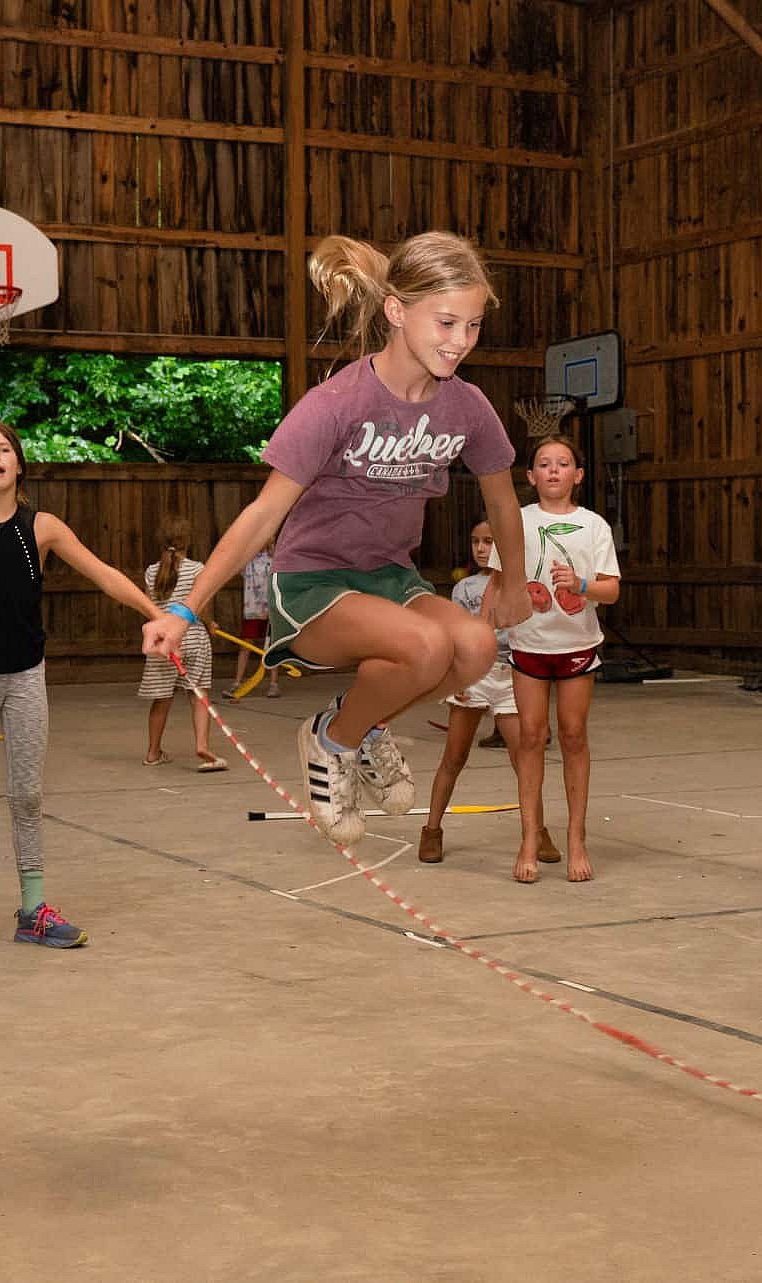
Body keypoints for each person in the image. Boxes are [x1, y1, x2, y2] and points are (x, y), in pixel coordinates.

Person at [141, 231, 530, 848]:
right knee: (429, 646)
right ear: (397, 311)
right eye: (447, 322)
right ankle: (333, 741)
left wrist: (513, 578)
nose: (460, 342)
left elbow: (503, 499)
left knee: (477, 646)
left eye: (474, 325)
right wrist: (186, 608)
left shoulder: (467, 407)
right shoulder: (336, 405)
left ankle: (361, 723)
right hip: (313, 584)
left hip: (390, 578)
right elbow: (262, 516)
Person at [0, 419, 164, 952]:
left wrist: (156, 613)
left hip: (27, 678)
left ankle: (33, 910)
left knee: (27, 794)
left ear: (19, 464)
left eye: (4, 449)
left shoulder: (42, 528)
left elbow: (103, 574)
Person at [490, 435, 620, 883]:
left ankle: (578, 840)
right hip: (528, 646)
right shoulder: (516, 523)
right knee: (530, 736)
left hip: (577, 648)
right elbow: (496, 584)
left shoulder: (594, 526)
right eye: (543, 464)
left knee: (573, 736)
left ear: (577, 475)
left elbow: (611, 590)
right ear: (530, 476)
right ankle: (529, 837)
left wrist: (581, 586)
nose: (552, 470)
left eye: (562, 463)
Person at [419, 518, 559, 866]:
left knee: (523, 760)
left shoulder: (522, 585)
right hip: (474, 677)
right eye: (476, 541)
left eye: (489, 541)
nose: (481, 548)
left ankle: (537, 831)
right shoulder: (463, 588)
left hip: (512, 677)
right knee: (454, 757)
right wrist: (458, 679)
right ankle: (432, 830)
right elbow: (457, 638)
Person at [138, 518, 227, 771]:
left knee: (162, 698)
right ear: (188, 541)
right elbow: (202, 604)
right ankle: (202, 745)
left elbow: (150, 607)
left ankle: (153, 752)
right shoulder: (198, 569)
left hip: (164, 639)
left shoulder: (151, 571)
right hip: (193, 635)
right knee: (198, 694)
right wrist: (210, 623)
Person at [225, 542, 280, 699]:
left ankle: (273, 683)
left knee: (272, 646)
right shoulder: (247, 560)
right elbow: (234, 563)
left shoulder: (274, 560)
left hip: (270, 610)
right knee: (246, 645)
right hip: (252, 610)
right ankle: (237, 682)